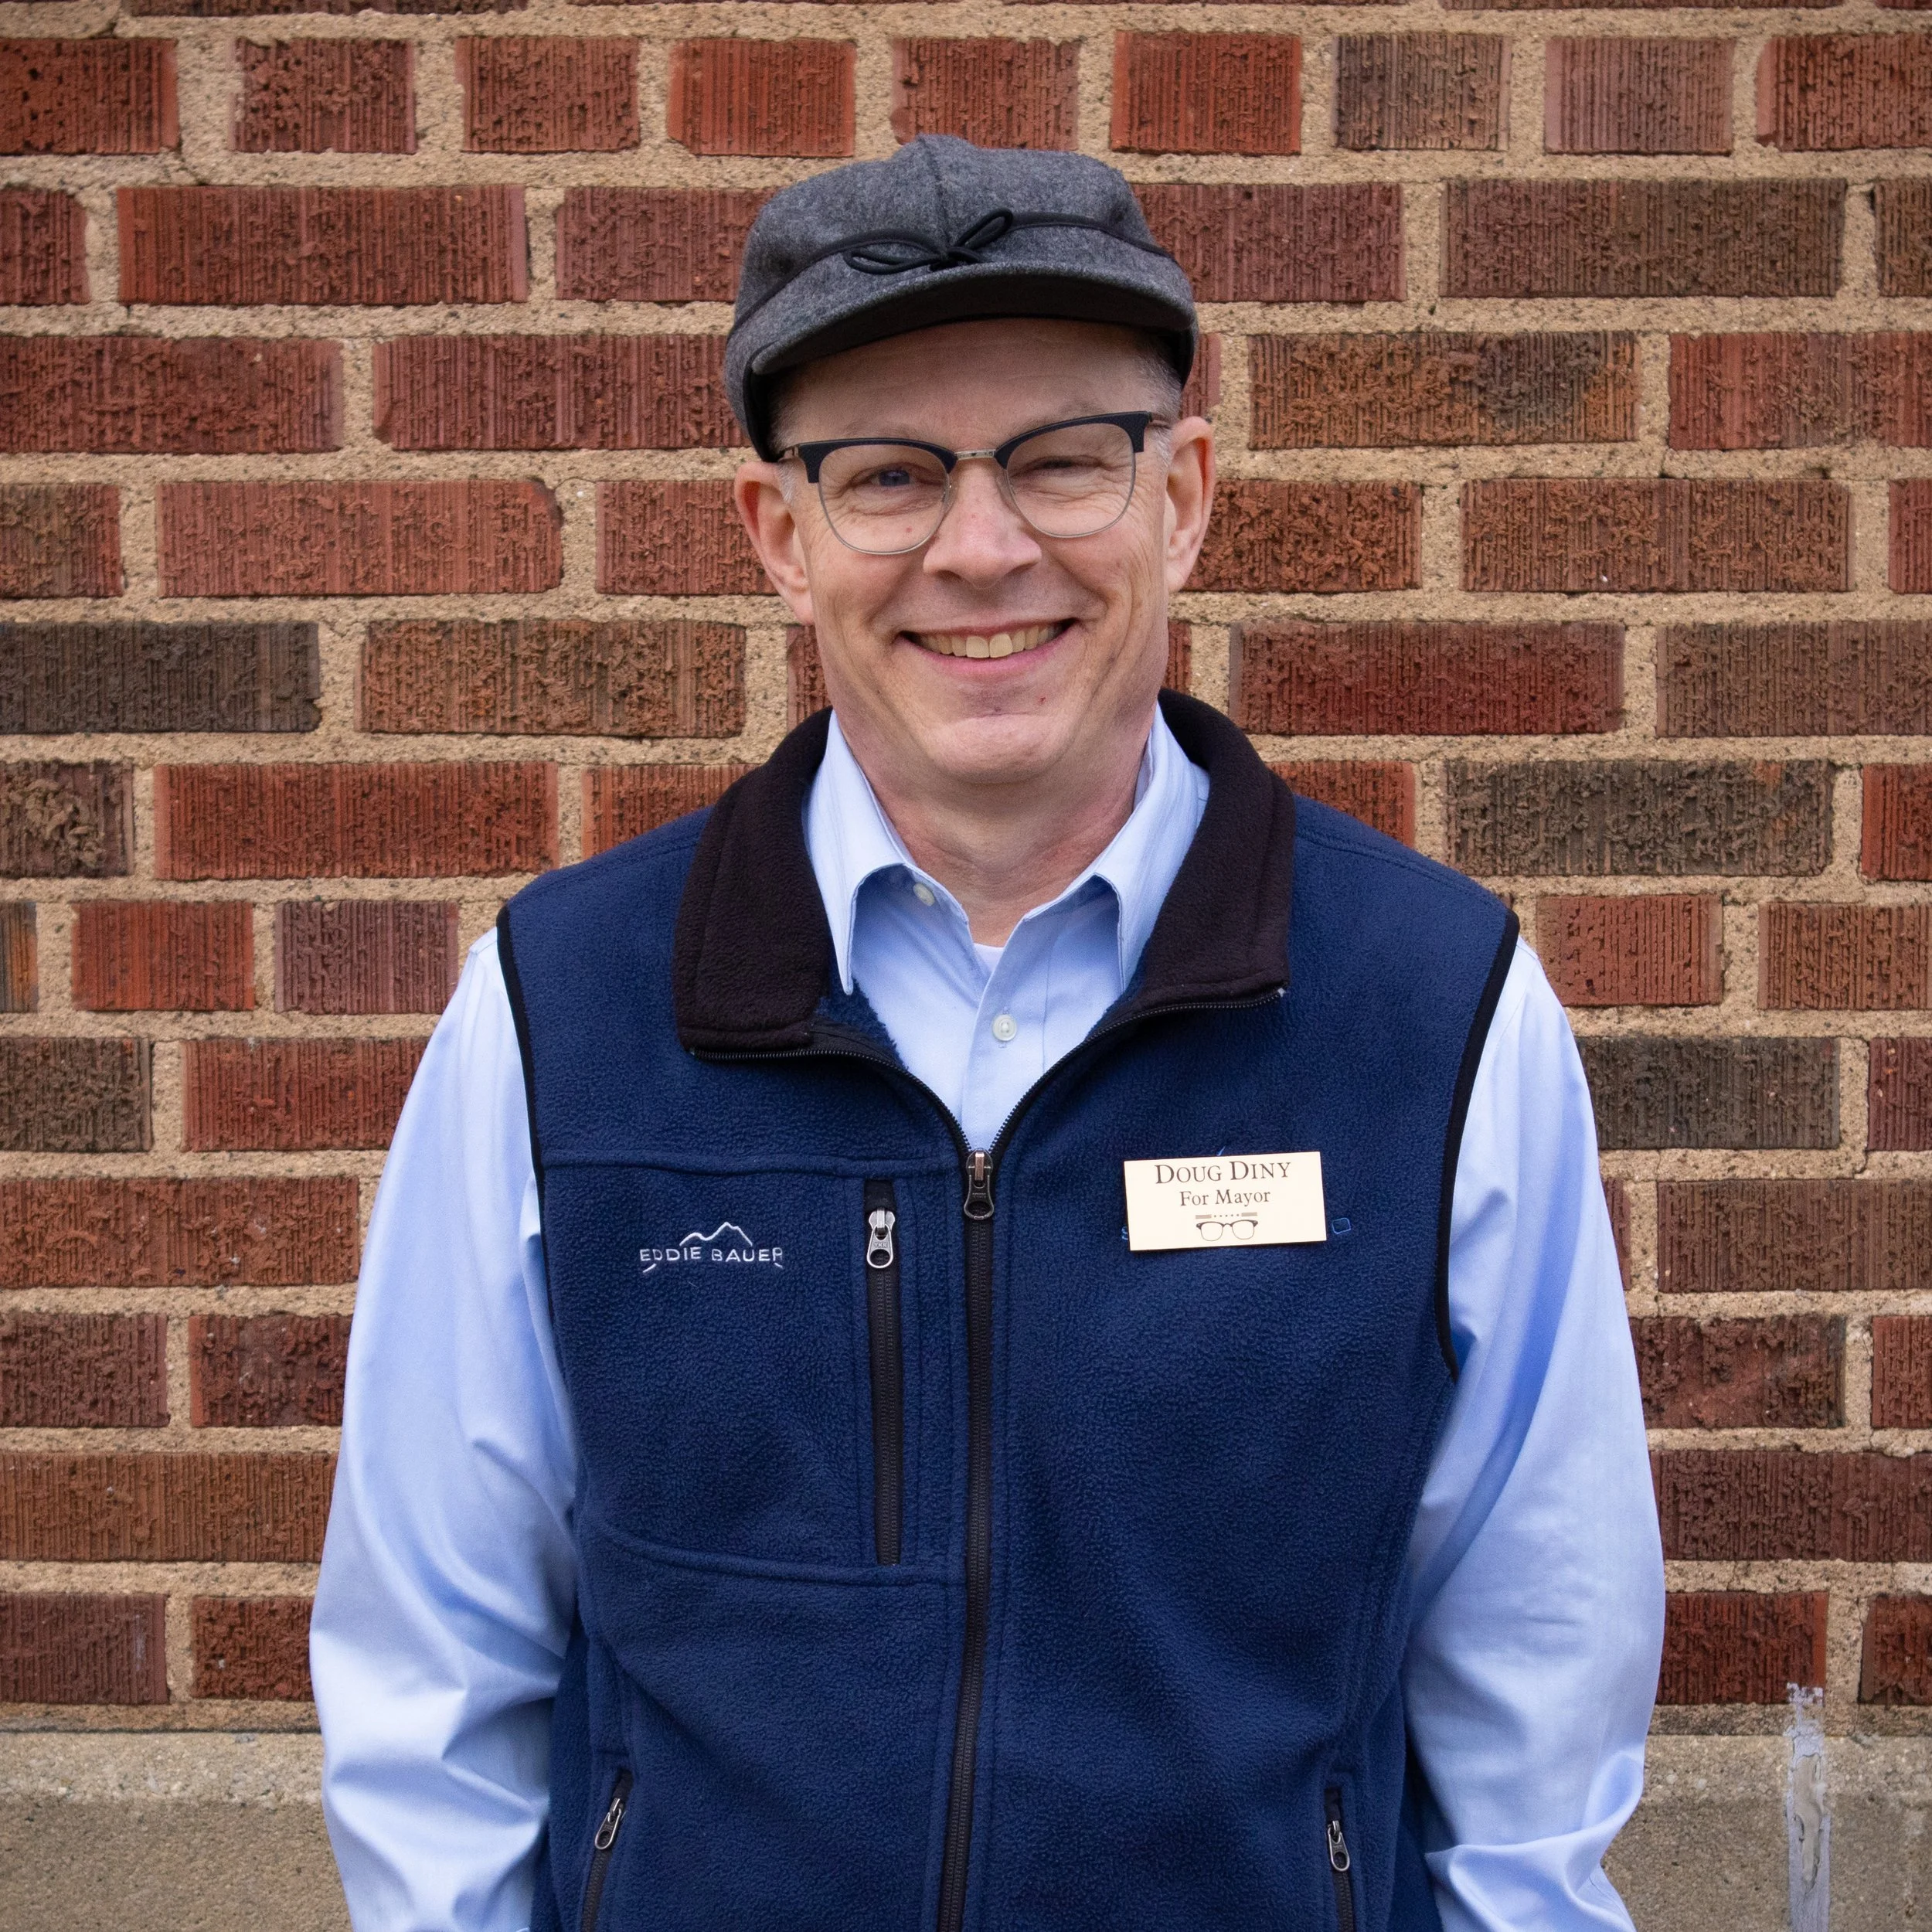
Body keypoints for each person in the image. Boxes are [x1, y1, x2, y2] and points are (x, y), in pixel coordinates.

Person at [311, 136, 1664, 1932]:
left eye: (1060, 460)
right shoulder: (563, 1015)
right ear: (778, 533)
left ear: (1179, 491)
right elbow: (432, 1681)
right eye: (886, 475)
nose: (979, 546)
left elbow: (1533, 1702)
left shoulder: (1434, 1016)